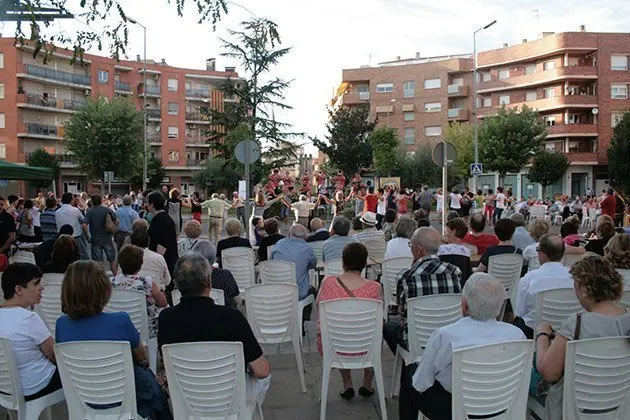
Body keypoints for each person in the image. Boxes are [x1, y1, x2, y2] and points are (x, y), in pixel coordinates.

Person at [400, 273, 525, 420]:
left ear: (464, 304)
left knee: (411, 373)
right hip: (502, 406)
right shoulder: (516, 335)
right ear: (500, 306)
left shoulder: (445, 335)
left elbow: (421, 383)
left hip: (456, 410)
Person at [56, 261, 172, 419]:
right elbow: (142, 357)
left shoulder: (62, 325)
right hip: (123, 397)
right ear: (103, 289)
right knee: (152, 389)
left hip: (84, 396)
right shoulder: (120, 321)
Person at [158, 254, 270, 406]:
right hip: (230, 397)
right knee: (265, 374)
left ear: (176, 284)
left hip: (187, 396)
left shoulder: (166, 319)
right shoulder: (232, 318)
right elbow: (261, 371)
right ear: (208, 282)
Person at [534, 256, 630, 420]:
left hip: (574, 407)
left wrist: (542, 334)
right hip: (618, 402)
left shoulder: (576, 324)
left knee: (528, 372)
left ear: (584, 289)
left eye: (576, 286)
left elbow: (548, 373)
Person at [316, 243, 382, 399]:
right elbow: (378, 321)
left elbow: (318, 307)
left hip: (333, 346)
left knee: (339, 330)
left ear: (343, 262)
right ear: (365, 263)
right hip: (366, 347)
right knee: (376, 333)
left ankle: (347, 384)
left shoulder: (327, 282)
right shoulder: (375, 287)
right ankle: (367, 384)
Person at [383, 227, 462, 355]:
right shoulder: (455, 272)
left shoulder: (406, 277)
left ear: (419, 248)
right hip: (449, 338)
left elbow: (401, 311)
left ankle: (407, 365)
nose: (410, 248)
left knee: (388, 327)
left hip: (417, 342)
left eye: (411, 245)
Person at [0, 263, 61, 401]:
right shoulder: (28, 318)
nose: (42, 287)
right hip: (35, 385)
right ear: (19, 289)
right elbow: (54, 355)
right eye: (36, 283)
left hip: (6, 389)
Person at [514, 234, 572, 338]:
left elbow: (520, 311)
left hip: (534, 331)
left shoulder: (529, 279)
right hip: (567, 331)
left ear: (542, 255)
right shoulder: (575, 278)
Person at [112, 245, 167, 338]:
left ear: (120, 263)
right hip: (144, 326)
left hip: (117, 327)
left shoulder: (110, 283)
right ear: (140, 264)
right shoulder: (147, 282)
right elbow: (163, 303)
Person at [271, 224, 317, 313]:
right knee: (313, 290)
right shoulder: (307, 248)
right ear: (305, 236)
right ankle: (302, 321)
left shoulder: (279, 244)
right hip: (298, 292)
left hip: (277, 288)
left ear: (289, 233)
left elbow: (271, 261)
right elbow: (313, 264)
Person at [191, 240, 243, 309]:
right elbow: (238, 301)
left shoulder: (187, 277)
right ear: (213, 257)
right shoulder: (225, 275)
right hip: (223, 317)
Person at [85, 194, 119, 275]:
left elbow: (83, 225)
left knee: (98, 262)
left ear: (92, 202)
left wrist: (87, 236)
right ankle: (116, 276)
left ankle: (101, 277)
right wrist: (113, 229)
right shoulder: (107, 210)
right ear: (101, 201)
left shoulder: (90, 211)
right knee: (112, 260)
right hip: (107, 237)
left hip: (95, 239)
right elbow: (116, 220)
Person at [147, 191, 178, 276]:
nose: (146, 205)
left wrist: (156, 265)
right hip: (168, 261)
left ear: (152, 204)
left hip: (165, 264)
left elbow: (162, 246)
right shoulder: (163, 218)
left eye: (147, 203)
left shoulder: (160, 221)